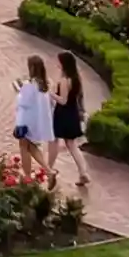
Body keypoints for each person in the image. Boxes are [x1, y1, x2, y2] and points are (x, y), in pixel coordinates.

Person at [50, 50, 91, 188]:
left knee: (54, 141)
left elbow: (63, 100)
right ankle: (83, 172)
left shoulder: (64, 81)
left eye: (58, 61)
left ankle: (48, 169)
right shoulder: (76, 78)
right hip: (72, 113)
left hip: (63, 114)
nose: (57, 63)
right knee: (72, 145)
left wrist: (51, 94)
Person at [13, 54, 55, 181]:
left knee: (23, 147)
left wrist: (18, 90)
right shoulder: (46, 84)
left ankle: (27, 176)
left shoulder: (30, 84)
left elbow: (23, 102)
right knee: (32, 147)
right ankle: (48, 171)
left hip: (26, 120)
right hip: (38, 121)